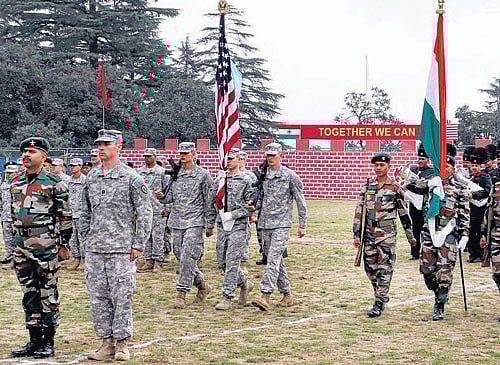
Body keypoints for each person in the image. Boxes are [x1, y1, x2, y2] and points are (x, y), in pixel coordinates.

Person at [80, 129, 153, 361]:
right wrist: (85, 238)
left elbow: (145, 212)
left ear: (118, 147)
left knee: (122, 296)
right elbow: (83, 210)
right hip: (95, 248)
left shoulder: (131, 177)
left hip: (122, 248)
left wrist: (139, 244)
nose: (100, 148)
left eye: (106, 144)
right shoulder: (91, 177)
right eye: (98, 144)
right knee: (98, 298)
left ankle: (122, 343)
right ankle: (106, 342)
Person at [9, 137, 71, 359]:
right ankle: (34, 340)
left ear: (43, 157)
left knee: (48, 295)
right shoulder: (15, 182)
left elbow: (65, 217)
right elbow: (12, 215)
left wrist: (64, 245)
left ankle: (48, 341)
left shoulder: (55, 183)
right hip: (21, 247)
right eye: (24, 152)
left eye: (32, 152)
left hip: (45, 246)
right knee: (29, 294)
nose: (26, 155)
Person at [407, 144, 470, 320]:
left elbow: (465, 213)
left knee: (445, 269)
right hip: (429, 230)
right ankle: (436, 291)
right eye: (442, 167)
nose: (445, 170)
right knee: (427, 269)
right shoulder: (432, 183)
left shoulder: (459, 187)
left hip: (448, 232)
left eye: (448, 167)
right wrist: (429, 183)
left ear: (452, 168)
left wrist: (465, 234)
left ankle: (440, 303)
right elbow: (411, 185)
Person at [352, 152, 415, 318]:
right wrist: (356, 233)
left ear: (388, 167)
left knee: (384, 268)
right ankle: (380, 292)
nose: (378, 168)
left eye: (382, 165)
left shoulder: (394, 187)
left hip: (387, 234)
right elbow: (360, 210)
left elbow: (403, 213)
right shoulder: (368, 186)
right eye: (376, 165)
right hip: (369, 233)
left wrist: (411, 237)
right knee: (370, 268)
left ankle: (379, 301)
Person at [251, 142, 307, 312]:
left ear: (280, 156)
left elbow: (300, 201)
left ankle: (265, 295)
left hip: (282, 224)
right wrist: (253, 211)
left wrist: (302, 224)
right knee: (275, 260)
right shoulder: (262, 176)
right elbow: (259, 198)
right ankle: (287, 294)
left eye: (273, 156)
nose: (270, 159)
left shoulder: (290, 176)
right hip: (264, 224)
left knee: (273, 259)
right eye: (268, 156)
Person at [162, 142, 215, 309]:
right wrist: (160, 196)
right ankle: (201, 284)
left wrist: (210, 223)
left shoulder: (203, 175)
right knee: (180, 256)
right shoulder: (175, 175)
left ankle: (181, 293)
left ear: (194, 153)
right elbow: (168, 197)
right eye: (181, 153)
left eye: (186, 153)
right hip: (177, 221)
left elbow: (209, 200)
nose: (182, 155)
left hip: (195, 221)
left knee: (188, 257)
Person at [209, 148, 255, 310]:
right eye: (226, 158)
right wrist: (210, 223)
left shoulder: (246, 181)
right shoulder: (220, 180)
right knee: (222, 261)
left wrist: (233, 214)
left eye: (231, 158)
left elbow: (251, 206)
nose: (228, 161)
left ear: (239, 160)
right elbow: (212, 202)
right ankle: (244, 283)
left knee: (232, 261)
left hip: (238, 225)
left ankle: (227, 296)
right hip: (222, 225)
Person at [137, 148, 169, 273]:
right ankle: (148, 259)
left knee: (158, 236)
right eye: (145, 156)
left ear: (155, 157)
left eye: (149, 156)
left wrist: (167, 208)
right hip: (144, 208)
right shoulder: (139, 172)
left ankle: (158, 260)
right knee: (147, 235)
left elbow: (168, 191)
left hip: (158, 208)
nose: (147, 158)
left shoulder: (162, 172)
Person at [408, 144, 436, 260]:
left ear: (428, 160)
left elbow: (426, 186)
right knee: (415, 227)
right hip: (413, 202)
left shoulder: (431, 171)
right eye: (419, 158)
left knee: (425, 227)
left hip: (425, 203)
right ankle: (414, 252)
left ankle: (426, 251)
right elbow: (409, 184)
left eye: (423, 159)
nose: (420, 161)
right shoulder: (413, 170)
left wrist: (417, 184)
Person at [467, 147, 492, 263]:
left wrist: (474, 195)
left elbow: (487, 191)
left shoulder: (485, 178)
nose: (474, 168)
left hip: (481, 209)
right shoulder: (470, 178)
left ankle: (480, 253)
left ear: (481, 167)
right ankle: (472, 253)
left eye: (476, 166)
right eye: (472, 166)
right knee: (471, 232)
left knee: (480, 231)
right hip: (471, 209)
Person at [480, 176, 500, 322]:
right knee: (498, 274)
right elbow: (488, 212)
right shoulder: (496, 188)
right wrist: (483, 234)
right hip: (496, 237)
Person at [67, 158, 86, 270]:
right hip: (71, 214)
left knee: (82, 238)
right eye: (71, 166)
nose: (72, 168)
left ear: (80, 167)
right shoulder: (68, 181)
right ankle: (76, 258)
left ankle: (84, 259)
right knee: (72, 238)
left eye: (74, 166)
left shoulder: (85, 181)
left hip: (81, 214)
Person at [0, 161, 18, 266]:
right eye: (8, 172)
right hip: (5, 216)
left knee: (17, 239)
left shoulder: (20, 184)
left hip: (16, 217)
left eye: (11, 173)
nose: (9, 174)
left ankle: (17, 259)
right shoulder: (4, 184)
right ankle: (9, 256)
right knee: (7, 238)